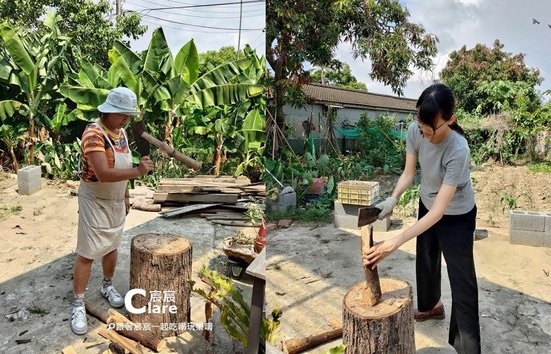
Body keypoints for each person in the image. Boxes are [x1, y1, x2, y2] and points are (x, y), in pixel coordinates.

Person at [363, 83, 480, 354]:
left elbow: (441, 211)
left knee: (462, 282)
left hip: (456, 215)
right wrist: (393, 198)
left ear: (451, 119)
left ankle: (467, 347)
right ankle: (430, 307)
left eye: (431, 127)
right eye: (421, 123)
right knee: (426, 258)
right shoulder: (416, 130)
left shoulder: (458, 149)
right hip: (428, 202)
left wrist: (395, 241)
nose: (424, 132)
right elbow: (408, 173)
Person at [71, 87, 154, 335]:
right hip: (95, 198)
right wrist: (139, 172)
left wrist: (126, 195)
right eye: (123, 114)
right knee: (87, 252)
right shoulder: (93, 135)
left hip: (116, 198)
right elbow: (104, 174)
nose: (126, 119)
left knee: (112, 245)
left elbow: (123, 167)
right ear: (109, 112)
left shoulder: (122, 133)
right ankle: (78, 302)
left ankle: (107, 286)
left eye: (129, 115)